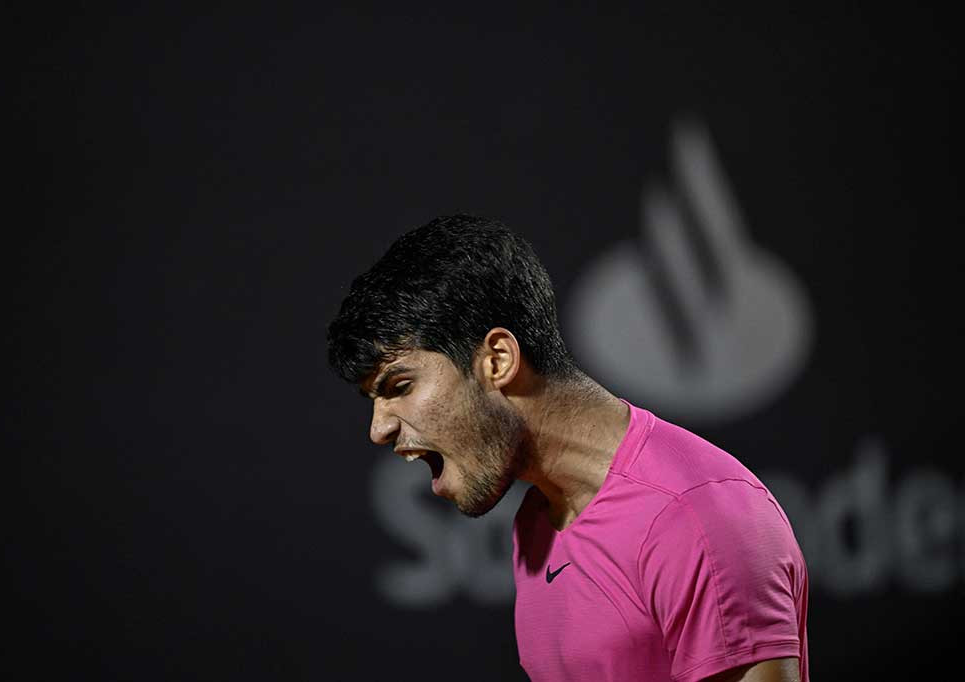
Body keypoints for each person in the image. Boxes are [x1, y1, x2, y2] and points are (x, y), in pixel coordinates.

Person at [327, 214, 809, 682]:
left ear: (497, 360)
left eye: (399, 385)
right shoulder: (539, 519)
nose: (379, 429)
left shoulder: (696, 517)